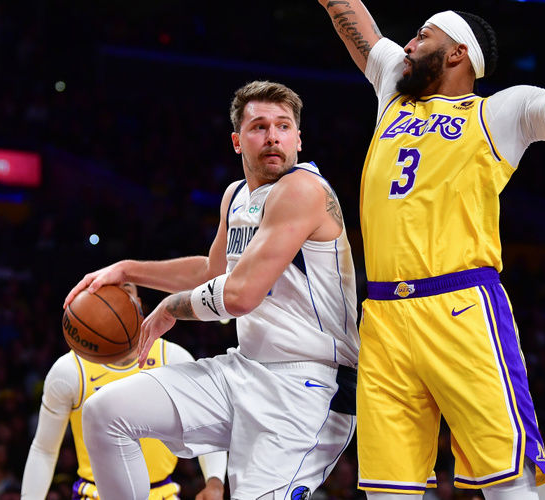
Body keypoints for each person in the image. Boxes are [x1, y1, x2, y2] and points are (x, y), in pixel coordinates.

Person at [316, 1, 545, 499]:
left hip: (460, 309)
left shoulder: (500, 111)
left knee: (510, 484)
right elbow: (345, 9)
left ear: (458, 53)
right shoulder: (393, 89)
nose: (407, 45)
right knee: (386, 492)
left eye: (422, 36)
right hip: (384, 316)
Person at [62, 80, 359, 500]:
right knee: (106, 412)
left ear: (298, 138)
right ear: (238, 141)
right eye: (259, 127)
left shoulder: (303, 190)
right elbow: (212, 272)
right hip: (246, 369)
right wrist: (127, 269)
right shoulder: (236, 195)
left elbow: (238, 297)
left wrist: (169, 308)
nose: (273, 136)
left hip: (309, 386)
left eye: (283, 126)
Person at [21, 283, 227, 500]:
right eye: (108, 290)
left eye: (125, 289)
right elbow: (44, 449)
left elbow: (208, 428)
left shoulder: (174, 358)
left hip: (162, 493)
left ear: (137, 304)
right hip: (96, 494)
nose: (115, 296)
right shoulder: (69, 370)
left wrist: (215, 482)